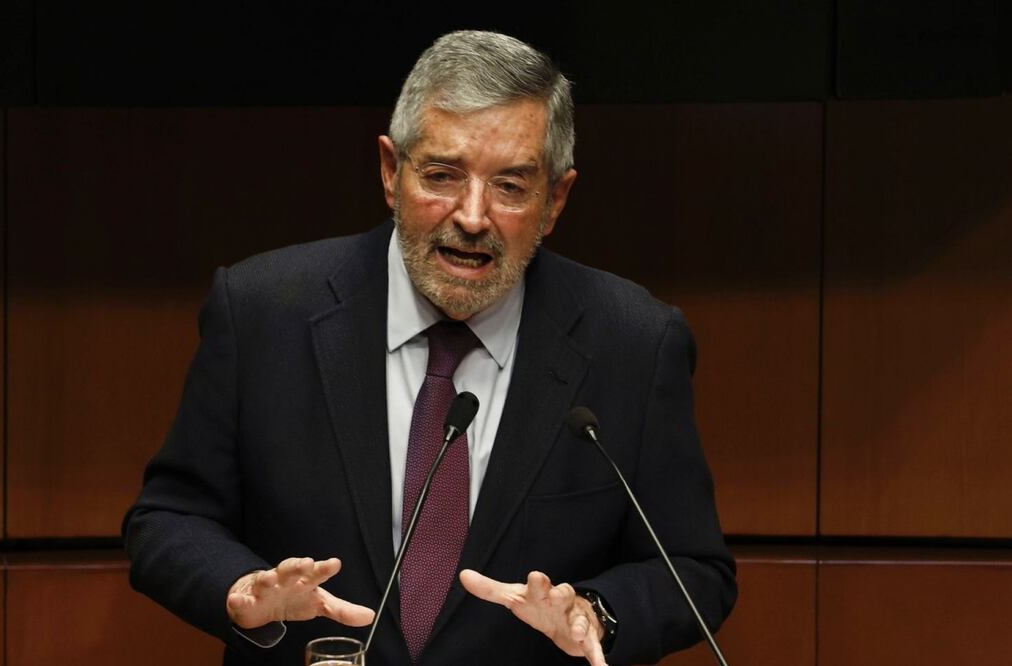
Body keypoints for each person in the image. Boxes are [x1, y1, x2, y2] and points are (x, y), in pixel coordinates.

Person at [123, 30, 736, 666]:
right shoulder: (262, 312)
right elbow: (167, 519)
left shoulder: (634, 342)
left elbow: (693, 570)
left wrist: (597, 612)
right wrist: (236, 588)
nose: (472, 216)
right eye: (442, 175)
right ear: (391, 172)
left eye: (510, 187)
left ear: (555, 200)